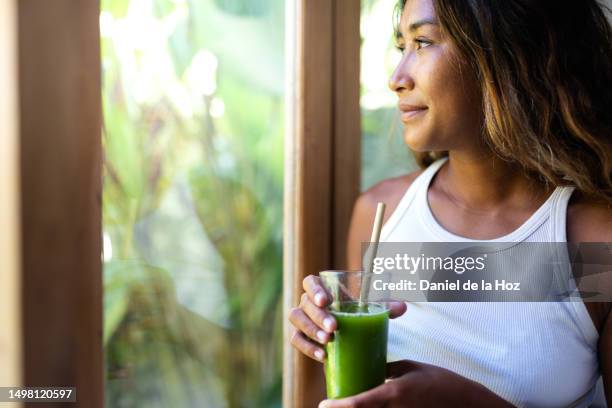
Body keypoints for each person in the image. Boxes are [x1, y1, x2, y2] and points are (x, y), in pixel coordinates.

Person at [288, 0, 612, 406]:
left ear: (508, 56)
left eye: (423, 42)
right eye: (401, 46)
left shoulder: (595, 241)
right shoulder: (380, 212)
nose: (397, 78)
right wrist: (322, 343)